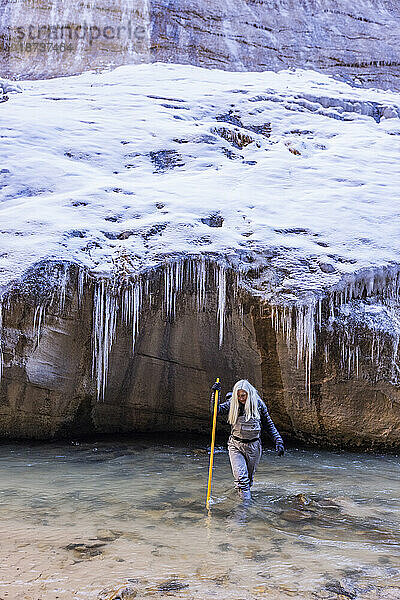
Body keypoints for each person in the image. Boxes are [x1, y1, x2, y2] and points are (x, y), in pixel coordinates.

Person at [211, 379, 285, 501]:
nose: (241, 398)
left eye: (243, 396)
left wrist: (278, 440)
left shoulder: (259, 404)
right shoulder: (232, 403)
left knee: (248, 481)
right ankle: (244, 508)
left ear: (249, 394)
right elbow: (215, 411)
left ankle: (242, 501)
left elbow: (268, 424)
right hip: (236, 445)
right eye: (238, 396)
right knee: (242, 479)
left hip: (254, 447)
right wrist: (215, 394)